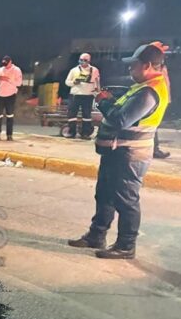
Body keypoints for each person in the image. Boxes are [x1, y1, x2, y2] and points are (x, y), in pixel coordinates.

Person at [68, 42, 170, 259]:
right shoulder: (140, 88)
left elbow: (120, 119)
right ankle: (96, 235)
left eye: (134, 65)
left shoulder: (149, 92)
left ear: (148, 65)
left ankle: (126, 245)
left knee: (126, 199)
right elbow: (122, 110)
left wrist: (103, 103)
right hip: (117, 151)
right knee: (104, 193)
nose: (130, 69)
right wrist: (110, 100)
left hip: (130, 154)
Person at [64, 53, 101, 139]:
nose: (82, 62)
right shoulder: (74, 70)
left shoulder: (94, 70)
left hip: (88, 95)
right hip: (75, 95)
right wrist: (74, 82)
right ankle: (71, 132)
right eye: (81, 60)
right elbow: (67, 82)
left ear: (89, 61)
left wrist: (97, 90)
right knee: (72, 114)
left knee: (87, 115)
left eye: (85, 60)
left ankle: (85, 133)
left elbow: (97, 81)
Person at [0, 55, 23, 141]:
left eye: (6, 63)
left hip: (10, 95)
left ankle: (9, 135)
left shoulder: (16, 70)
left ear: (10, 62)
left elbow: (19, 83)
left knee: (10, 115)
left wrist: (8, 79)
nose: (5, 65)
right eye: (3, 63)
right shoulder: (0, 70)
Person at [153, 64, 172, 159]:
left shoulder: (161, 66)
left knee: (155, 125)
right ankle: (154, 150)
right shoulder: (155, 66)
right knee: (153, 125)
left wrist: (167, 98)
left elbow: (166, 82)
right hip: (158, 98)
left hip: (162, 98)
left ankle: (154, 149)